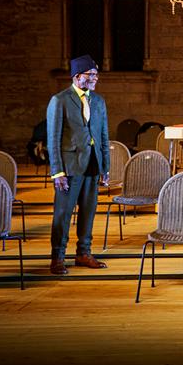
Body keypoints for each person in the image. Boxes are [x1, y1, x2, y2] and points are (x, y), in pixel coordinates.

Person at [46, 54, 110, 275]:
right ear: (77, 76)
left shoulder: (98, 101)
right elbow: (53, 138)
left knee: (88, 212)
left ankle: (84, 253)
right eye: (90, 74)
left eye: (96, 74)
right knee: (63, 214)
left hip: (92, 164)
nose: (95, 78)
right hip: (69, 167)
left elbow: (103, 136)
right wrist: (57, 172)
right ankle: (57, 257)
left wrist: (105, 167)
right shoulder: (60, 100)